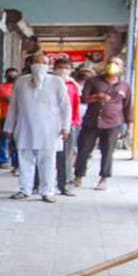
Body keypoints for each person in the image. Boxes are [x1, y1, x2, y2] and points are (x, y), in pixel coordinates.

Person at [4, 52, 71, 203]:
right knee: (25, 160)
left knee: (47, 161)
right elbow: (13, 106)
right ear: (30, 65)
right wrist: (9, 127)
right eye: (36, 62)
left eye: (43, 63)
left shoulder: (57, 82)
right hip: (25, 127)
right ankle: (24, 189)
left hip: (50, 129)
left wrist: (66, 127)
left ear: (48, 66)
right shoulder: (21, 82)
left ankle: (47, 191)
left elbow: (65, 106)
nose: (39, 66)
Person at [73, 56, 132, 191]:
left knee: (108, 152)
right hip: (92, 121)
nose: (112, 65)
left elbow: (128, 106)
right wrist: (96, 97)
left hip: (113, 123)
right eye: (110, 62)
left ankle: (104, 178)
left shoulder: (125, 86)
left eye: (116, 64)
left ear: (122, 68)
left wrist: (129, 126)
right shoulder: (93, 81)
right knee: (84, 150)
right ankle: (78, 176)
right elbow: (83, 99)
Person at [54, 56, 80, 196]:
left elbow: (75, 106)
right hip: (49, 124)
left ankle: (65, 185)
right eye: (60, 67)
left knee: (66, 156)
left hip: (68, 125)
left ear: (71, 70)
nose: (63, 70)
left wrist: (73, 124)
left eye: (66, 68)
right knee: (45, 155)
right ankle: (38, 184)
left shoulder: (72, 86)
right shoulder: (48, 83)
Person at [0, 67, 20, 170]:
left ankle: (16, 163)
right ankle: (2, 161)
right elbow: (9, 99)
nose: (12, 77)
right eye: (10, 75)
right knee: (4, 139)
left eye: (14, 75)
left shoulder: (19, 87)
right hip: (5, 116)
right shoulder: (2, 87)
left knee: (16, 141)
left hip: (18, 117)